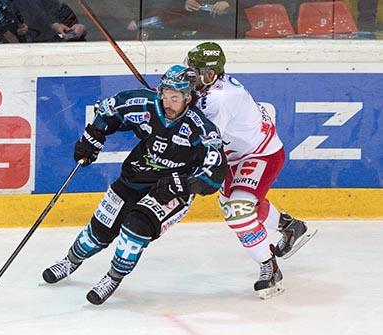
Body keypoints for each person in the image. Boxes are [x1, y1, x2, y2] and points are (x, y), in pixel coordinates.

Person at [42, 64, 227, 305]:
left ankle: (113, 276)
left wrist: (182, 183)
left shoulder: (200, 128)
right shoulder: (144, 104)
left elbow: (214, 172)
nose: (168, 103)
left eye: (175, 97)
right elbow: (109, 109)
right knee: (99, 230)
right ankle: (70, 261)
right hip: (135, 176)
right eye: (165, 95)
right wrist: (93, 137)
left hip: (169, 189)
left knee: (135, 228)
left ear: (188, 97)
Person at [185, 42, 315, 299]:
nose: (191, 74)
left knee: (239, 210)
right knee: (232, 206)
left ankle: (269, 266)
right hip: (238, 154)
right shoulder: (208, 87)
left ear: (211, 74)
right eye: (190, 68)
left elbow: (200, 137)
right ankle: (288, 226)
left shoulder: (220, 100)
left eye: (197, 70)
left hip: (260, 154)